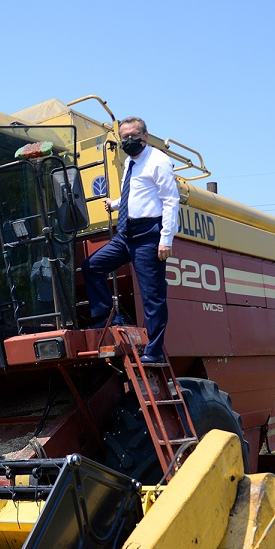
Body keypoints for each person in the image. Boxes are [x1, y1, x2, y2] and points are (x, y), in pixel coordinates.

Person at [83, 116, 180, 363]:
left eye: (133, 136)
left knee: (152, 296)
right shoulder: (129, 163)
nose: (128, 140)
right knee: (91, 266)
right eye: (124, 136)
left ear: (145, 136)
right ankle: (107, 316)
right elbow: (136, 193)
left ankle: (154, 352)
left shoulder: (158, 161)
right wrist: (115, 203)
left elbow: (170, 200)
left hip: (148, 234)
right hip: (125, 232)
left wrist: (165, 239)